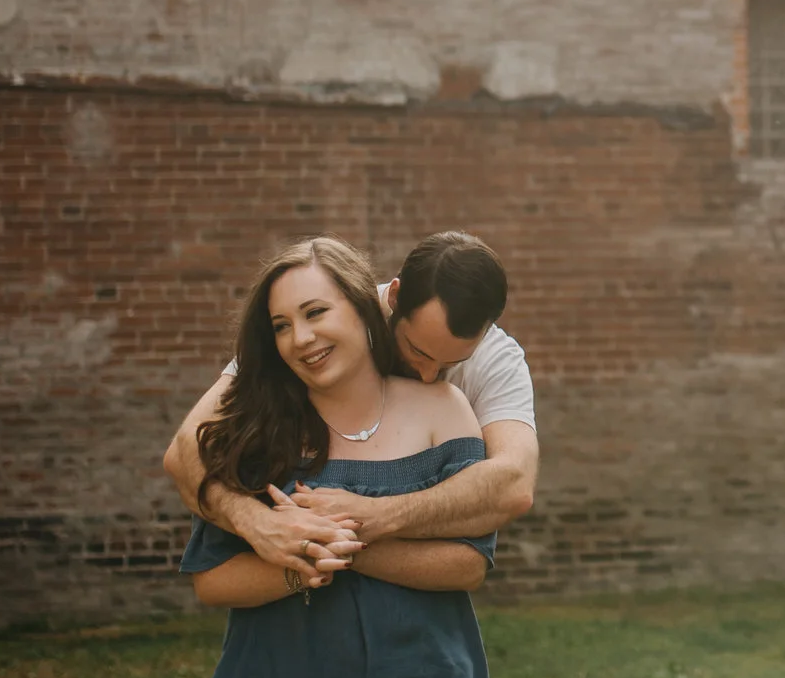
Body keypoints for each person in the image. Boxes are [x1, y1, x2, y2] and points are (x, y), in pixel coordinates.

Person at [180, 237, 494, 678]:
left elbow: (469, 563)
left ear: (361, 306)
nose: (300, 337)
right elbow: (211, 580)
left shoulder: (443, 408)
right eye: (281, 325)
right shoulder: (254, 427)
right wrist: (298, 568)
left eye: (315, 312)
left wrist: (346, 542)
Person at [164, 231, 537, 587]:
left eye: (452, 363)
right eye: (418, 351)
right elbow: (184, 452)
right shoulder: (323, 323)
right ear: (394, 297)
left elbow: (514, 483)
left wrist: (376, 516)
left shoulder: (496, 359)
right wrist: (256, 522)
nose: (429, 376)